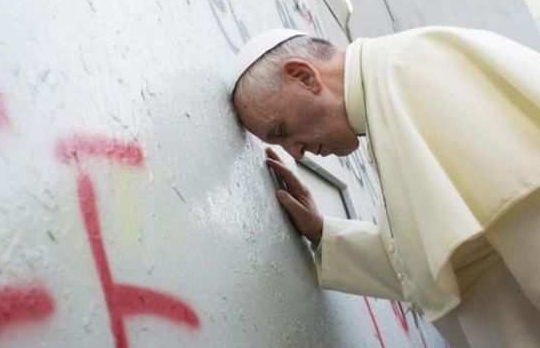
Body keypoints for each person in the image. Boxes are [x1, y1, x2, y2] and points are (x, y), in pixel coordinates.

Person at [230, 27, 540, 347]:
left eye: (282, 131)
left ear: (304, 76)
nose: (294, 152)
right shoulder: (389, 95)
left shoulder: (413, 67)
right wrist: (322, 232)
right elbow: (435, 264)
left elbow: (521, 206)